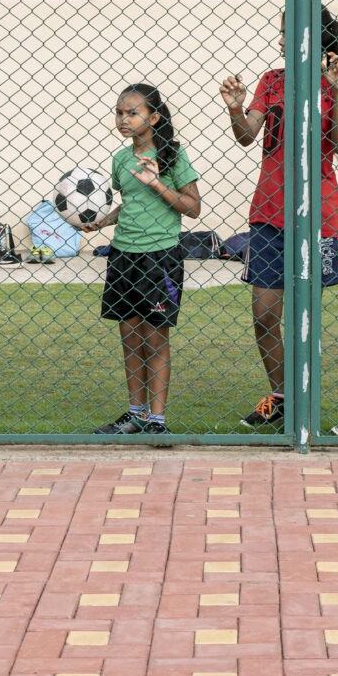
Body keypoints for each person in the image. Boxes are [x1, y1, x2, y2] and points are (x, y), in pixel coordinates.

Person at [219, 10, 338, 429]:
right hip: (269, 215)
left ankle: (305, 405)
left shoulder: (334, 85)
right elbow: (247, 134)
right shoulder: (272, 81)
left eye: (289, 33)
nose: (282, 41)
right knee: (264, 316)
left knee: (305, 317)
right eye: (282, 33)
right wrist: (234, 109)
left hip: (319, 218)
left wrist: (337, 92)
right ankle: (284, 396)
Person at [84, 85, 201, 435]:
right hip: (123, 256)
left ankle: (157, 420)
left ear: (154, 117)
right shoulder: (120, 159)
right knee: (130, 338)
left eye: (132, 112)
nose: (123, 119)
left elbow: (193, 207)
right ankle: (135, 414)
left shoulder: (172, 156)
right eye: (119, 112)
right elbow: (130, 204)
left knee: (155, 339)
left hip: (160, 258)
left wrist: (157, 183)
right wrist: (104, 220)